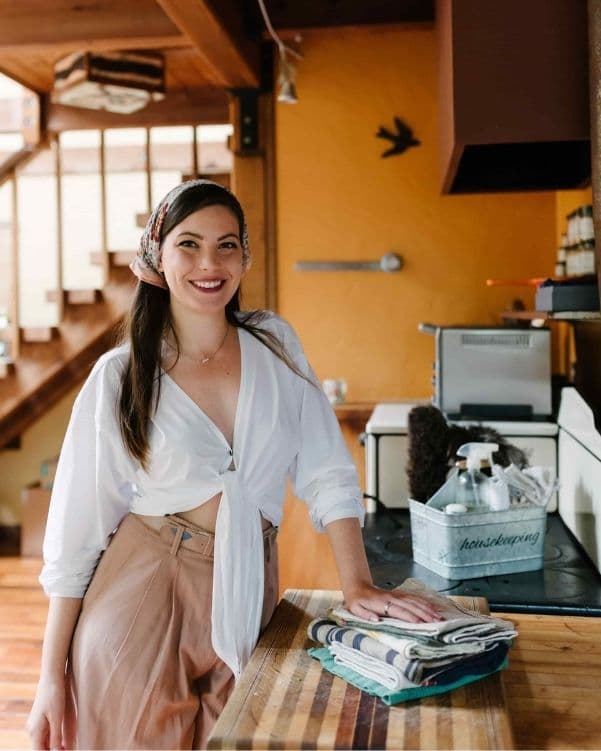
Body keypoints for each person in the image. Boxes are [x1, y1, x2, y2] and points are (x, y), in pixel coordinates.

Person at [27, 179, 442, 750]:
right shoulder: (120, 377)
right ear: (157, 256)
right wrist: (51, 677)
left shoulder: (274, 345)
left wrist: (357, 584)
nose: (209, 263)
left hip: (249, 587)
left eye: (227, 245)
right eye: (189, 244)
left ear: (245, 256)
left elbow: (326, 470)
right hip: (143, 591)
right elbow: (75, 535)